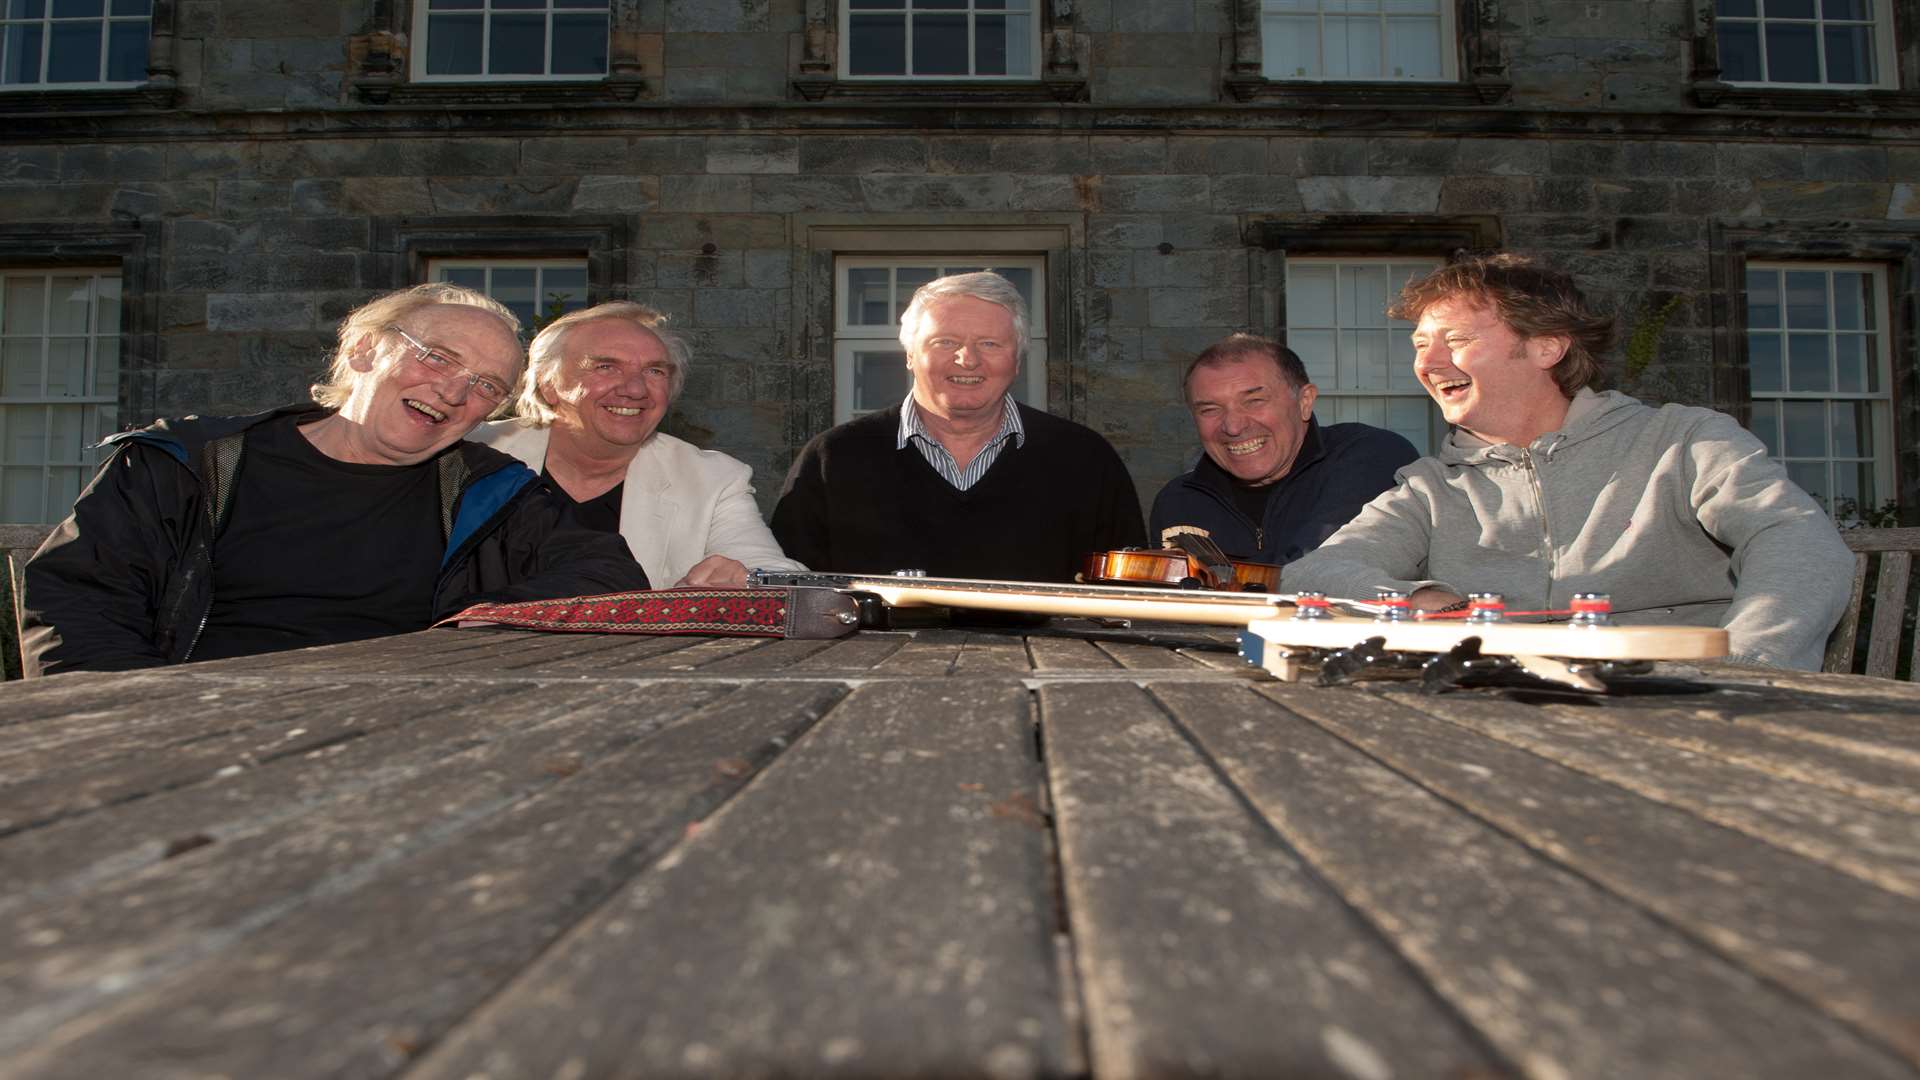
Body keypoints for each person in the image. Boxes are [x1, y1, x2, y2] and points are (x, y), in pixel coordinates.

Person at [21, 283, 649, 676]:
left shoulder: (497, 491)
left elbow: (604, 573)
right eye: (438, 357)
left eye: (487, 386)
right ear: (364, 351)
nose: (457, 391)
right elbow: (77, 606)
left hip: (403, 723)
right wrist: (147, 723)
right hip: (188, 717)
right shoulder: (185, 461)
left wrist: (472, 629)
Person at [1281, 253, 1852, 670]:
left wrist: (1744, 667)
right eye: (1418, 345)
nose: (1427, 363)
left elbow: (1797, 541)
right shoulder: (1433, 487)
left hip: (1674, 704)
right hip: (1501, 710)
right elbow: (1317, 572)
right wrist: (1419, 598)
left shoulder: (1682, 441)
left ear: (1546, 347)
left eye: (1452, 339)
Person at [771, 271, 1145, 581]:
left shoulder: (1085, 460)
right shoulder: (834, 459)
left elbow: (1130, 601)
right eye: (945, 341)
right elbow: (791, 594)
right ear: (910, 355)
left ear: (1017, 360)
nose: (967, 360)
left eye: (989, 343)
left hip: (1045, 667)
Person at [469, 301, 802, 588]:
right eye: (606, 367)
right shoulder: (471, 453)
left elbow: (772, 572)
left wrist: (745, 580)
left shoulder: (711, 479)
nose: (635, 389)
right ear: (549, 384)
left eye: (655, 371)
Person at [1150, 333, 1418, 565]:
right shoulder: (1179, 501)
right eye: (1209, 409)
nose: (1232, 426)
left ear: (1305, 401)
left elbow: (1319, 570)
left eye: (1254, 401)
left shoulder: (1369, 457)